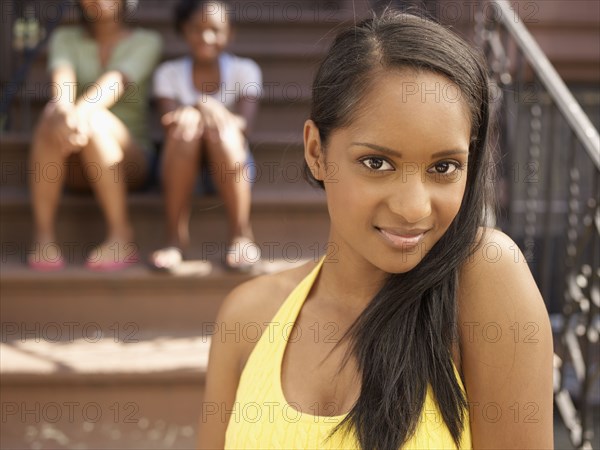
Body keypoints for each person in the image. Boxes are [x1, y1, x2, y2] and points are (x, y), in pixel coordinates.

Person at [197, 10, 554, 450]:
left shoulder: (485, 279)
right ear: (316, 152)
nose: (412, 207)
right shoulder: (248, 318)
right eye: (377, 163)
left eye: (444, 167)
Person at [27, 0, 162, 271]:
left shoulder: (148, 41)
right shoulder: (65, 38)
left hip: (131, 160)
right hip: (74, 151)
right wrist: (64, 113)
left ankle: (121, 236)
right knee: (51, 115)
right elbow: (62, 84)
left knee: (94, 117)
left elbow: (116, 82)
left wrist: (77, 114)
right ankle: (44, 238)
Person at [149, 0, 262, 272]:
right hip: (181, 167)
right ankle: (174, 239)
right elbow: (169, 124)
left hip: (230, 164)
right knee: (185, 131)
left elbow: (243, 125)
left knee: (222, 131)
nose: (206, 37)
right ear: (183, 31)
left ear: (230, 33)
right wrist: (200, 105)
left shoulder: (245, 70)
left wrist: (205, 107)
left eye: (215, 29)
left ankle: (241, 236)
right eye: (196, 29)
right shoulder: (168, 73)